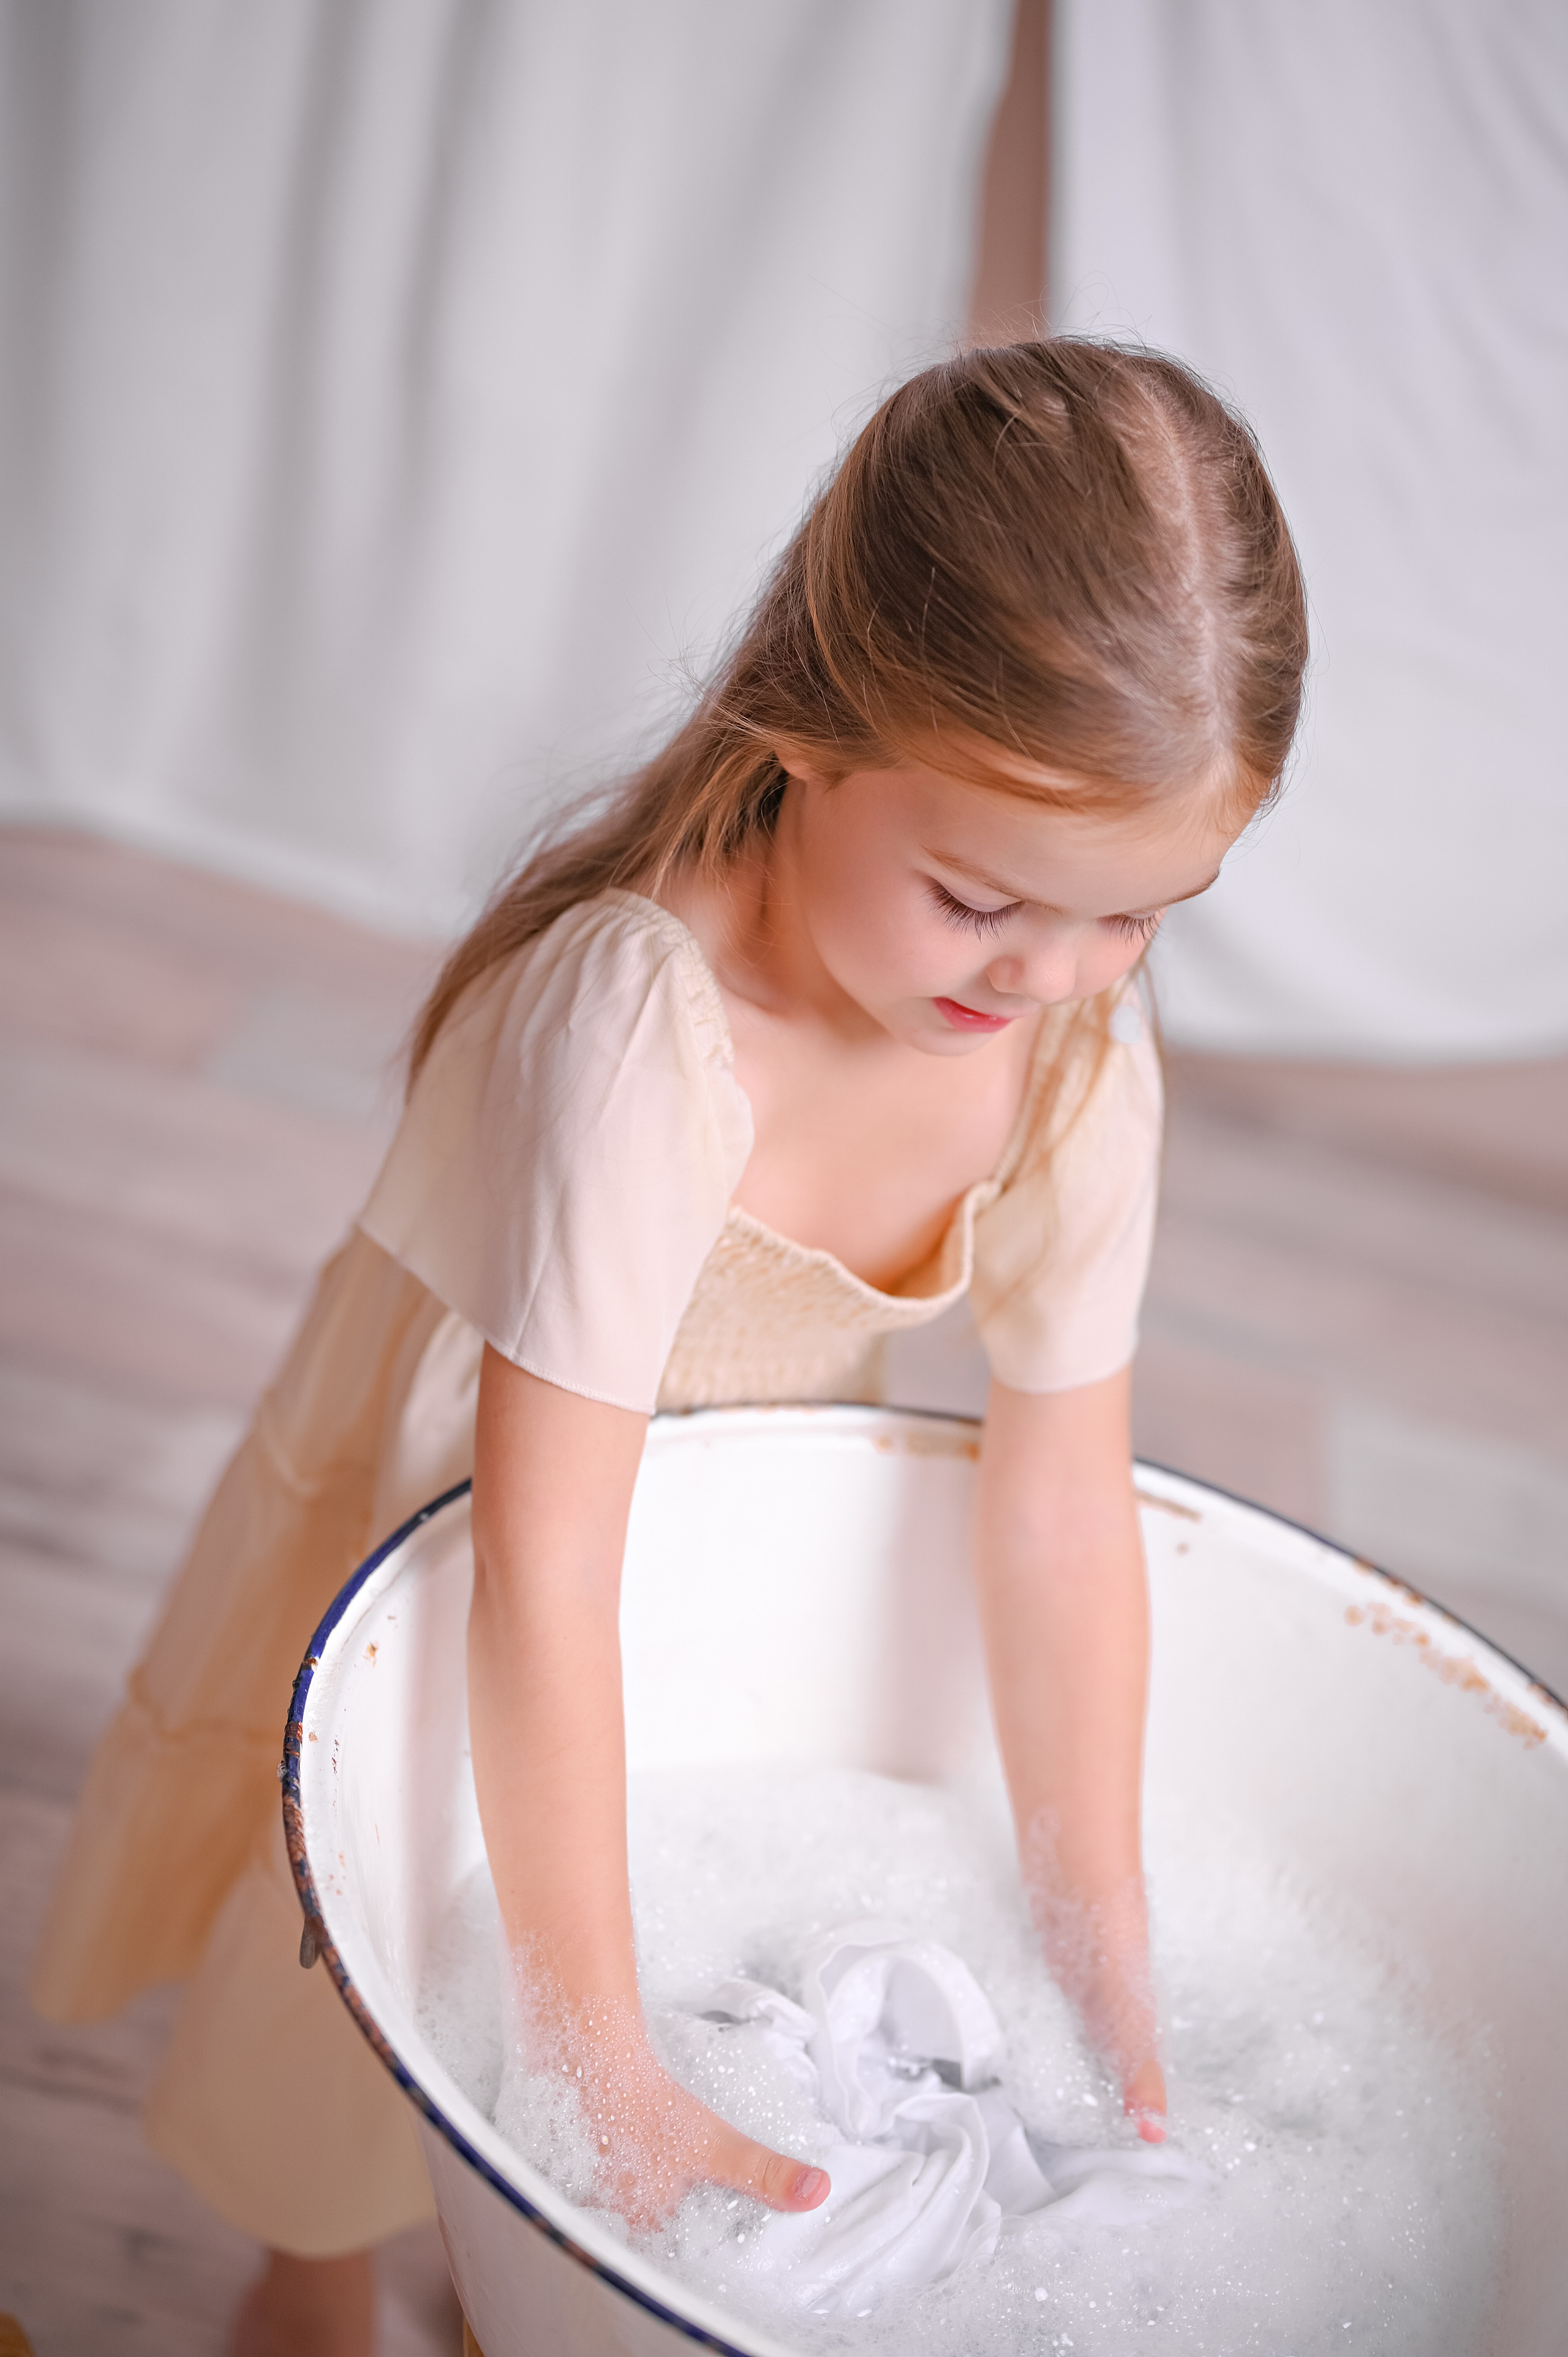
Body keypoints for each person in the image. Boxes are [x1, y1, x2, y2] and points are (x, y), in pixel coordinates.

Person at [31, 339, 1307, 2355]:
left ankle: (533, 2249)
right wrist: (582, 2053)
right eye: (983, 899)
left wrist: (1107, 1949)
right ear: (813, 726)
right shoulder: (644, 1028)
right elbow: (541, 1571)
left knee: (709, 1915)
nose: (1054, 980)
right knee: (378, 2005)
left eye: (1139, 921)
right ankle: (314, 2287)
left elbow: (1062, 1522)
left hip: (721, 1516)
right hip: (461, 1527)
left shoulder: (1070, 1057)